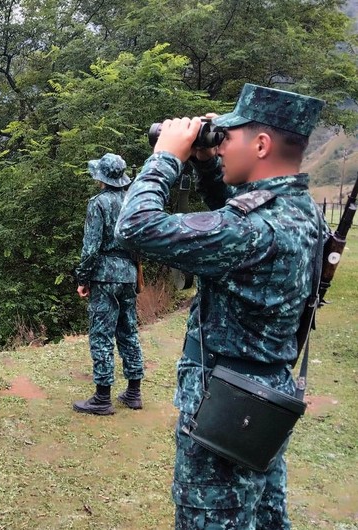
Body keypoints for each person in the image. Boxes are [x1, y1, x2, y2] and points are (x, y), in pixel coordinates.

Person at [115, 84, 325, 528]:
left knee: (212, 518)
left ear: (262, 144)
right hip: (267, 396)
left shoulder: (254, 231)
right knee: (262, 517)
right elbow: (232, 215)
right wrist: (209, 166)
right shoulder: (299, 209)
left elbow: (134, 226)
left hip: (227, 406)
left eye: (229, 136)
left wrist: (166, 157)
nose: (221, 143)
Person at [73, 153, 144, 416]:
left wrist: (83, 279)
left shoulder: (98, 203)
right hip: (128, 274)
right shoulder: (132, 201)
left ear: (100, 177)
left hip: (104, 277)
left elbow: (90, 248)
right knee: (128, 330)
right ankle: (134, 392)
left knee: (101, 334)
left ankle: (103, 397)